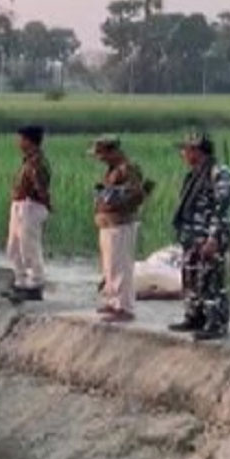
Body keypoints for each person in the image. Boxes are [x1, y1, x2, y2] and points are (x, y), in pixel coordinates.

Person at [169, 133, 230, 340]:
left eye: (186, 149)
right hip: (193, 236)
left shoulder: (219, 173)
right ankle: (195, 316)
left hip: (209, 236)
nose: (183, 153)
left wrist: (214, 237)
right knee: (192, 277)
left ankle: (216, 322)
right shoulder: (195, 174)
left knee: (211, 280)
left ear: (196, 151)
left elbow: (225, 207)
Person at [91, 136, 148, 323]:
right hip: (109, 223)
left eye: (102, 154)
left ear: (112, 152)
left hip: (121, 223)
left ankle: (124, 306)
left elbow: (137, 195)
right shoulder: (113, 170)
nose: (100, 159)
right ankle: (112, 301)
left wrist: (115, 199)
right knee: (110, 265)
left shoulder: (127, 169)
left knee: (121, 265)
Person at [5, 125, 52, 302]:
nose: (18, 142)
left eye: (21, 138)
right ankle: (21, 282)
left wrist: (44, 202)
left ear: (29, 141)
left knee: (30, 247)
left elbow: (41, 186)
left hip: (30, 206)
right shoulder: (28, 160)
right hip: (21, 205)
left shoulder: (37, 162)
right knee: (14, 247)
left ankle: (36, 284)